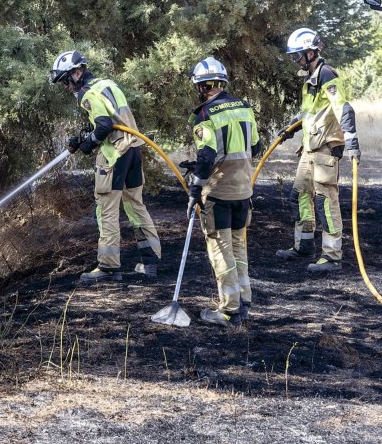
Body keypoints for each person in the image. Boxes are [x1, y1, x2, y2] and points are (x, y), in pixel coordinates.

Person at [50, 51, 161, 283]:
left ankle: (109, 268)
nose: (67, 88)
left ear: (77, 73)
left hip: (114, 155)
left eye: (66, 82)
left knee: (107, 209)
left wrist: (89, 144)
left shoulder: (87, 93)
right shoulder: (107, 84)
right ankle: (151, 262)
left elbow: (103, 125)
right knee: (136, 205)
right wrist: (83, 137)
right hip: (133, 150)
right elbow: (113, 119)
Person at [275, 28, 360, 272]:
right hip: (309, 149)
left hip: (325, 149)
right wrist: (291, 128)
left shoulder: (326, 74)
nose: (296, 60)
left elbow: (343, 109)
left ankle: (332, 257)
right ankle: (303, 246)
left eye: (298, 55)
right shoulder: (309, 80)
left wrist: (352, 142)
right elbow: (309, 113)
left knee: (325, 201)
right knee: (300, 194)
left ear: (311, 52)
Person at [184, 57, 261, 327]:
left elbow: (206, 156)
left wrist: (195, 188)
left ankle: (228, 310)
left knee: (220, 250)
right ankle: (244, 300)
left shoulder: (205, 115)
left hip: (218, 194)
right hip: (243, 192)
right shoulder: (244, 108)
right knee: (239, 248)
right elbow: (256, 147)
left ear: (204, 87)